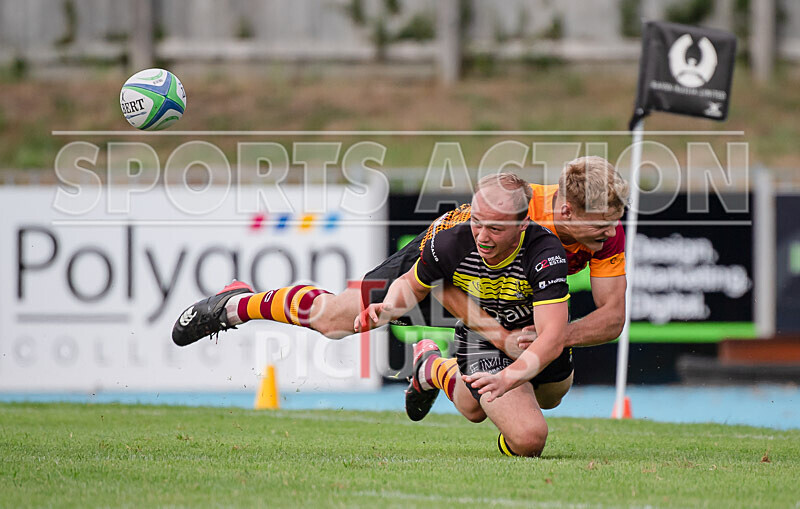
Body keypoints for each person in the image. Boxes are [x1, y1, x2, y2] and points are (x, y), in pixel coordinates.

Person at [400, 155, 630, 425]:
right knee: (478, 411)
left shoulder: (608, 230)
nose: (612, 231)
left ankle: (433, 368)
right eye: (602, 225)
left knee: (550, 397)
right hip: (489, 302)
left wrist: (554, 336)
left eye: (615, 221)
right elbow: (440, 276)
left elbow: (613, 317)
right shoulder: (512, 213)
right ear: (568, 212)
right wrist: (498, 336)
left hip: (542, 310)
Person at [355, 173, 570, 457]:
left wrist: (509, 378)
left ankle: (433, 368)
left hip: (530, 340)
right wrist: (390, 307)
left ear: (522, 225)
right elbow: (411, 283)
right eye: (477, 222)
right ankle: (472, 384)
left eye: (495, 228)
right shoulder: (449, 242)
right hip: (482, 336)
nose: (482, 237)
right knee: (529, 439)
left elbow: (553, 337)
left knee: (549, 397)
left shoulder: (546, 251)